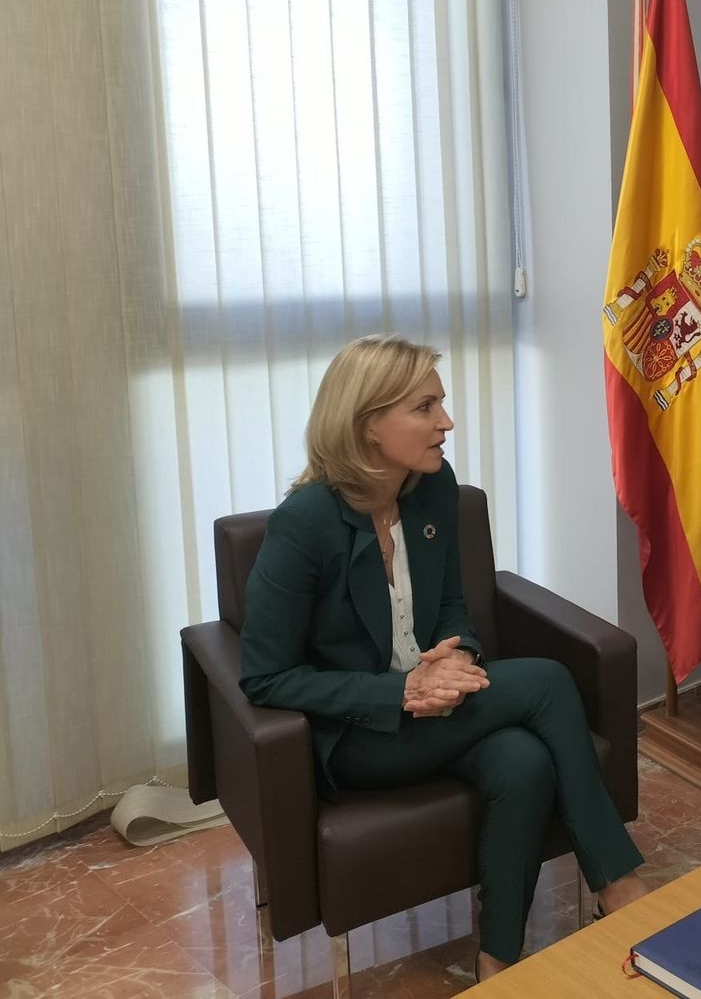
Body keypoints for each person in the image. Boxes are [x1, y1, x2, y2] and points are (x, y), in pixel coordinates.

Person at [239, 334, 649, 981]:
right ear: (369, 424)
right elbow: (266, 677)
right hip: (360, 735)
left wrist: (459, 655)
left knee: (523, 761)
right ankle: (619, 885)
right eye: (425, 407)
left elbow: (455, 603)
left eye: (443, 404)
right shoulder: (305, 523)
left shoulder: (434, 488)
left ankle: (498, 963)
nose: (447, 423)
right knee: (546, 681)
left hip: (439, 708)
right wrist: (399, 692)